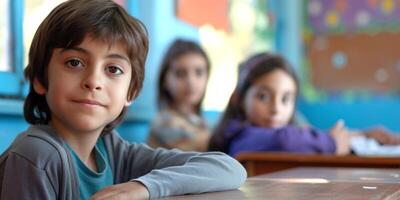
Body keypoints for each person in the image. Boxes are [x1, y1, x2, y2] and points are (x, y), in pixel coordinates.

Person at [0, 1, 246, 199]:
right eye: (74, 63)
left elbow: (229, 169)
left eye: (113, 69)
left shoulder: (112, 151)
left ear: (131, 92)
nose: (93, 81)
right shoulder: (36, 156)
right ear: (40, 79)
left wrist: (143, 187)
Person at [208, 52, 400, 157]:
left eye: (286, 99)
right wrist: (331, 143)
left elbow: (309, 135)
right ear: (238, 98)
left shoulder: (292, 128)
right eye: (263, 97)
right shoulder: (239, 135)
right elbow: (283, 140)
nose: (276, 109)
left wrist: (364, 134)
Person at [148, 39, 211, 151]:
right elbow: (211, 146)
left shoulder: (200, 121)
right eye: (180, 74)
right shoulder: (164, 122)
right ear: (165, 81)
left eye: (199, 72)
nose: (191, 81)